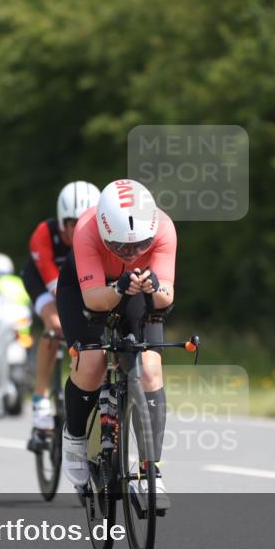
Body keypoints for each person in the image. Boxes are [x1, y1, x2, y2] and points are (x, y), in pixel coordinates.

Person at [56, 179, 175, 508]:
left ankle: (152, 470)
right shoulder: (86, 230)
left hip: (138, 288)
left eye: (141, 246)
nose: (134, 252)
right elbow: (94, 300)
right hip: (91, 289)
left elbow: (166, 298)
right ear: (106, 233)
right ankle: (76, 438)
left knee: (149, 371)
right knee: (92, 363)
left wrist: (152, 288)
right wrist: (119, 287)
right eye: (122, 247)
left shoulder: (164, 228)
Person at [24, 181, 101, 451]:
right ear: (60, 222)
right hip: (45, 281)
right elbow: (58, 290)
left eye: (84, 221)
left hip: (82, 284)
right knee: (56, 325)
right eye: (71, 223)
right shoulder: (43, 235)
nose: (78, 228)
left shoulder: (98, 236)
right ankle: (41, 399)